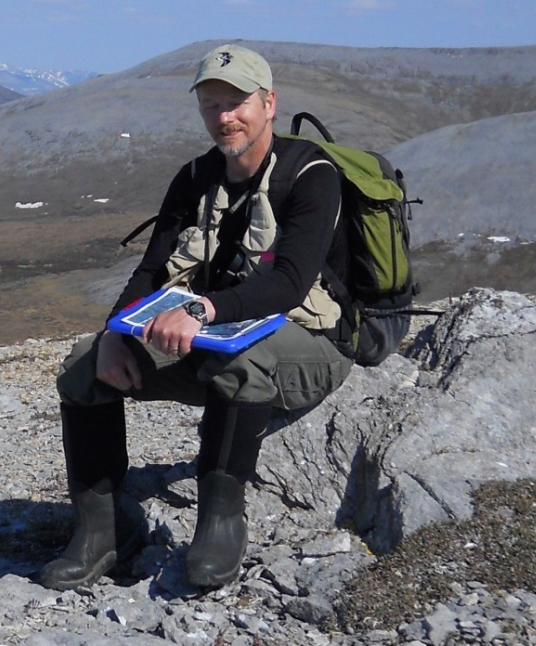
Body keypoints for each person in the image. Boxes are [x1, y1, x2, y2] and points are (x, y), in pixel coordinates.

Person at [38, 44, 355, 591]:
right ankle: (106, 530)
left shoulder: (312, 176)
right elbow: (150, 271)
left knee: (244, 361)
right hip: (213, 339)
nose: (224, 117)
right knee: (82, 367)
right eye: (211, 105)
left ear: (269, 103)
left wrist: (202, 308)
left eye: (237, 103)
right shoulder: (195, 177)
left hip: (310, 343)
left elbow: (288, 285)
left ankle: (221, 523)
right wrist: (114, 335)